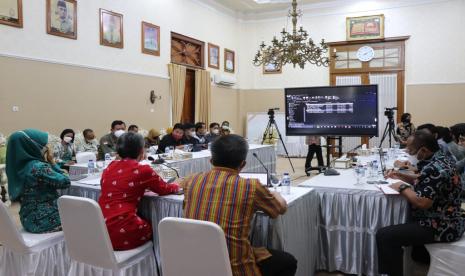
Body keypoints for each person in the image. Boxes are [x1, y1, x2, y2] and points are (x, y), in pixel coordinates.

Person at [182, 135, 297, 276]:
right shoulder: (251, 187)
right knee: (288, 261)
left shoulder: (191, 180)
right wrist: (275, 193)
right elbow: (280, 209)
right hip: (236, 267)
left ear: (211, 161)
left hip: (196, 261)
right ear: (243, 164)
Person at [377, 130, 464, 276]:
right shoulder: (441, 158)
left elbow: (422, 203)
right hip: (451, 217)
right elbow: (423, 180)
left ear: (423, 150)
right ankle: (419, 256)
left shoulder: (435, 168)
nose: (408, 153)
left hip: (441, 225)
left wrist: (401, 186)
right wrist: (399, 175)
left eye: (410, 150)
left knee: (384, 236)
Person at [98, 132, 179, 250]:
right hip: (123, 231)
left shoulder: (110, 167)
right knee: (156, 229)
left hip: (100, 229)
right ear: (142, 151)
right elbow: (164, 189)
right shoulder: (143, 170)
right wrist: (178, 185)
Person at [6, 129, 70, 233]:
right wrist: (52, 162)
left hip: (27, 219)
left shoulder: (16, 167)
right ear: (33, 145)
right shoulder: (39, 167)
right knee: (83, 217)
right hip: (45, 220)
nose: (47, 147)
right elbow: (65, 182)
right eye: (44, 144)